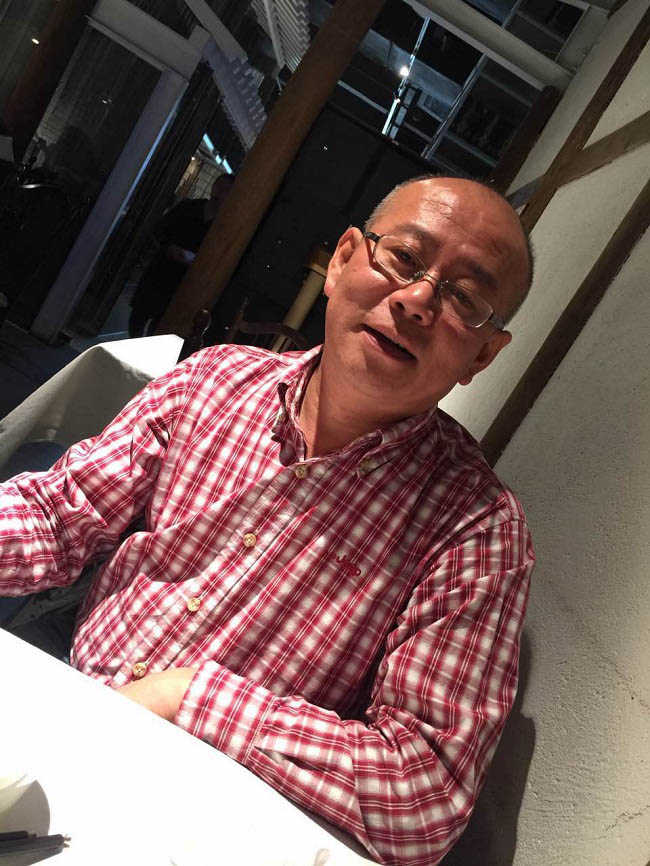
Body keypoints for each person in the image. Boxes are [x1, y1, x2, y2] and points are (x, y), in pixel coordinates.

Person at [0, 176, 535, 866]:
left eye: (464, 298)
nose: (417, 300)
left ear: (483, 355)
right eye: (403, 257)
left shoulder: (479, 527)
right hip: (68, 699)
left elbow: (425, 790)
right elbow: (56, 515)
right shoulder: (214, 379)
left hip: (212, 812)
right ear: (343, 261)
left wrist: (189, 696)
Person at [128, 173, 234, 337]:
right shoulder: (189, 207)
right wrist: (169, 246)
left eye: (226, 190)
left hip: (184, 282)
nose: (219, 191)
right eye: (218, 186)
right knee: (138, 316)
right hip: (161, 269)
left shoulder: (223, 226)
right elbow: (159, 228)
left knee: (162, 326)